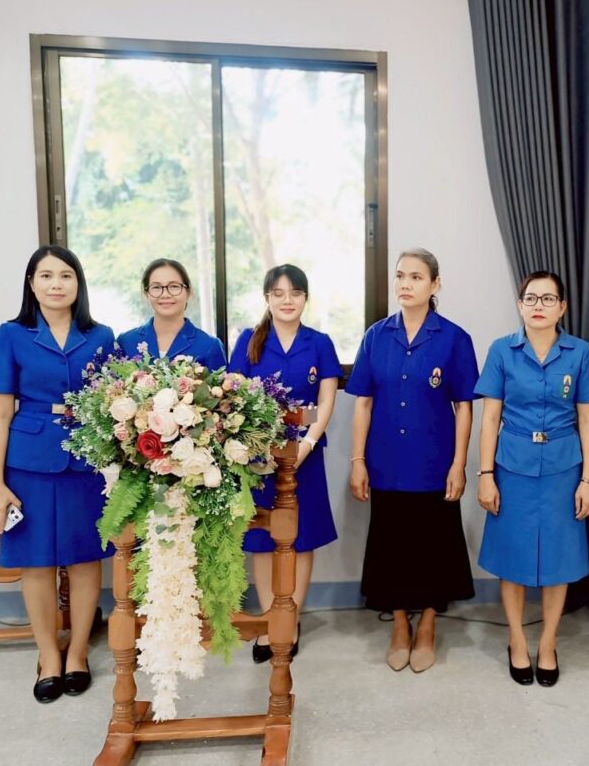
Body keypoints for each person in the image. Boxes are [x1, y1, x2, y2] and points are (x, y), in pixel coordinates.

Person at [0, 245, 115, 703]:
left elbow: (114, 403)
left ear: (78, 284)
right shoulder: (12, 334)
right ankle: (48, 656)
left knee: (84, 559)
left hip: (86, 460)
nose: (56, 284)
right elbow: (0, 413)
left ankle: (77, 653)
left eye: (66, 275)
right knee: (36, 562)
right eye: (46, 275)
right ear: (32, 284)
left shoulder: (100, 336)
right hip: (29, 462)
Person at [346, 248, 478, 673]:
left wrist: (458, 464)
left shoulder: (454, 339)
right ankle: (401, 624)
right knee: (392, 545)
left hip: (434, 462)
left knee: (435, 545)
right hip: (386, 460)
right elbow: (363, 402)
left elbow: (464, 407)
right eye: (401, 275)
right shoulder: (376, 336)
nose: (405, 284)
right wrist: (358, 460)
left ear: (435, 284)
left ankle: (429, 626)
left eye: (416, 277)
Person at [476, 271, 589, 687]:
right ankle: (516, 639)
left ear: (562, 307)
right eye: (531, 298)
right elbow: (490, 417)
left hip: (564, 469)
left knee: (559, 561)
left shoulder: (578, 353)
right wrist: (486, 474)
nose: (538, 306)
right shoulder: (502, 350)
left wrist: (588, 480)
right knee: (512, 558)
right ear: (520, 304)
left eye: (548, 299)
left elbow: (588, 419)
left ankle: (548, 643)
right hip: (512, 466)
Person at [229, 264, 341, 663]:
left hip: (304, 457)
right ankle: (268, 619)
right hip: (258, 459)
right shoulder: (249, 340)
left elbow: (326, 401)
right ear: (267, 298)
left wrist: (306, 443)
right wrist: (257, 445)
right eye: (278, 293)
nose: (287, 300)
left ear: (305, 298)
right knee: (263, 538)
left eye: (294, 292)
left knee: (300, 537)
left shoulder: (319, 343)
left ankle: (289, 620)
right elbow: (234, 395)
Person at [116, 258, 225, 368]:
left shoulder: (209, 346)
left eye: (174, 286)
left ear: (188, 292)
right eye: (156, 287)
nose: (165, 295)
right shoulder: (126, 342)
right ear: (146, 294)